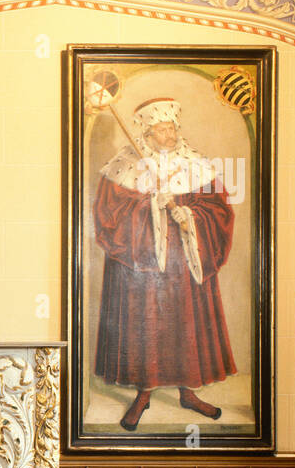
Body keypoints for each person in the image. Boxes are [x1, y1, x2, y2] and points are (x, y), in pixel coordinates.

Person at [93, 97, 236, 431]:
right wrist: (149, 206)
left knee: (184, 323)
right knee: (149, 324)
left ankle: (187, 392)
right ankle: (144, 394)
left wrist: (189, 214)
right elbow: (106, 215)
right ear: (147, 131)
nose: (169, 134)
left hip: (184, 262)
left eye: (172, 127)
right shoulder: (126, 162)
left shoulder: (195, 162)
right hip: (143, 262)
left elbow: (218, 209)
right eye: (162, 128)